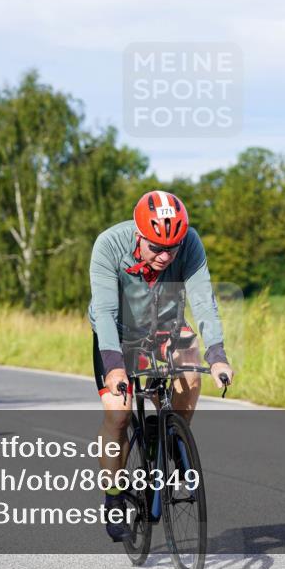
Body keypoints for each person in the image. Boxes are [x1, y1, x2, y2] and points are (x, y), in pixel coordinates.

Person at [88, 190, 235, 541]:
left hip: (167, 325)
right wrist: (115, 367)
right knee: (118, 413)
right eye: (156, 248)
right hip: (118, 332)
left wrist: (217, 356)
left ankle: (170, 437)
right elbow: (106, 312)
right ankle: (112, 497)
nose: (166, 256)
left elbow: (203, 300)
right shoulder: (109, 245)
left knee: (191, 378)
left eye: (173, 247)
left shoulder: (189, 243)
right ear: (139, 235)